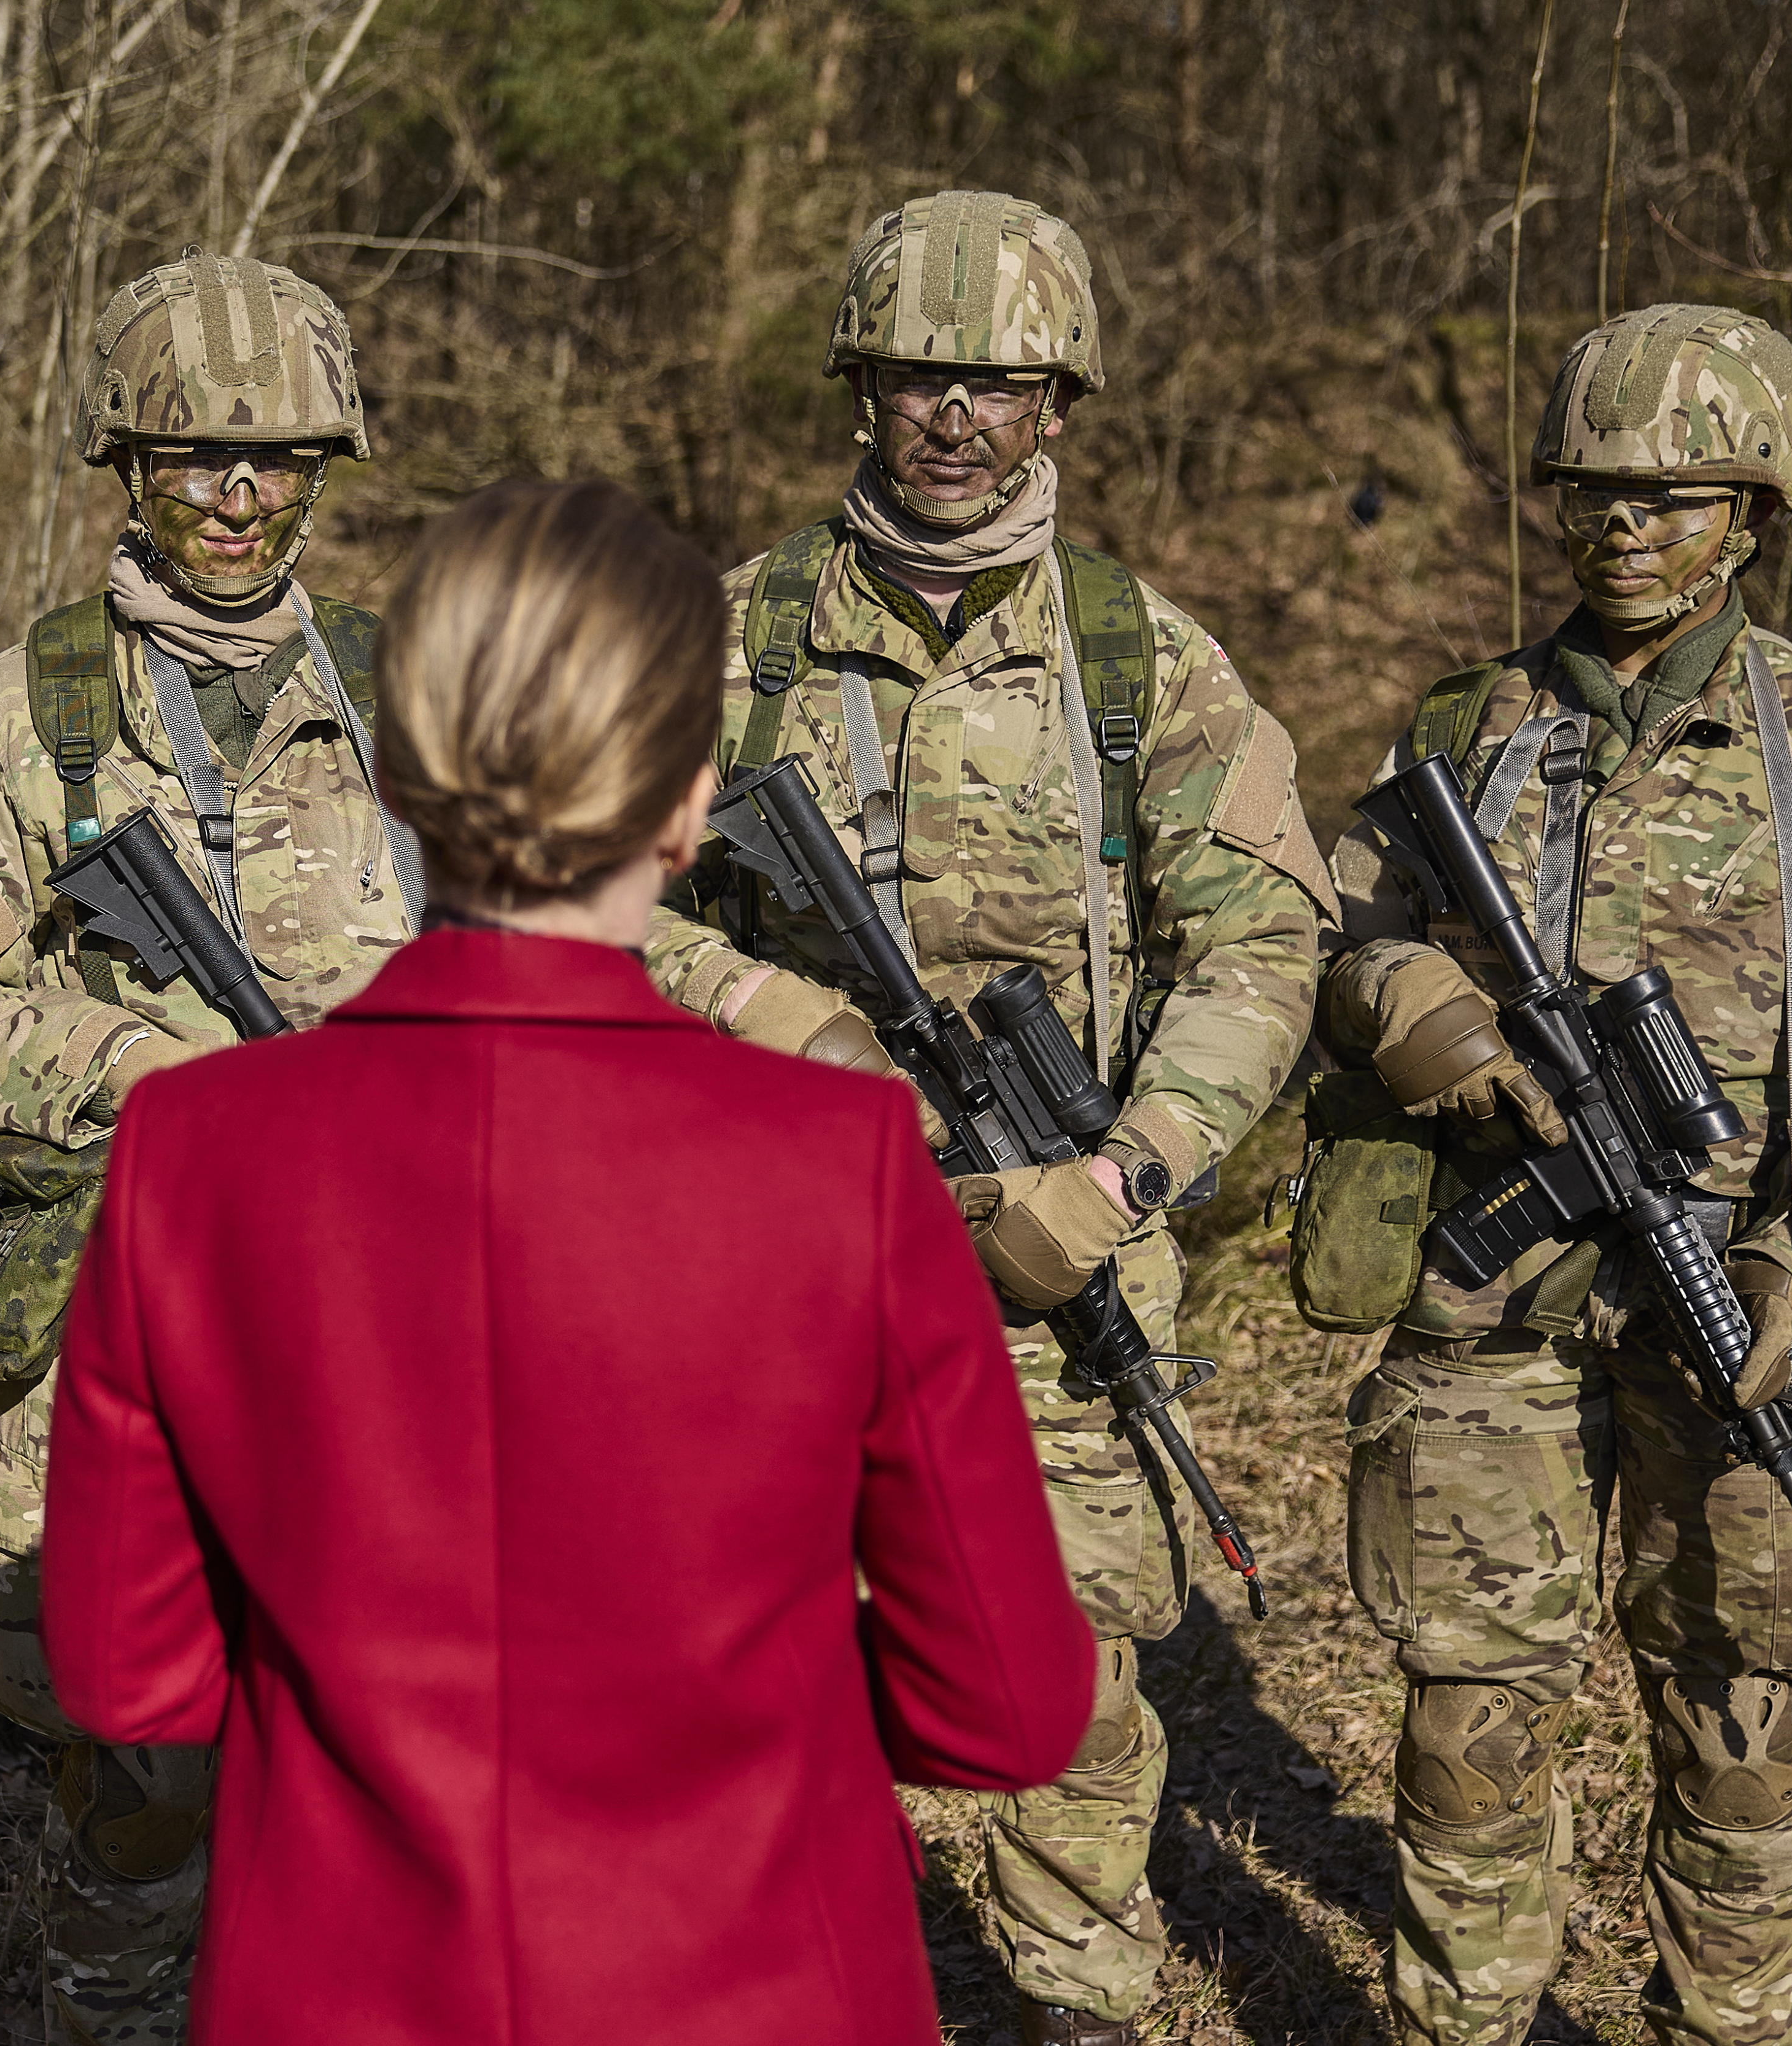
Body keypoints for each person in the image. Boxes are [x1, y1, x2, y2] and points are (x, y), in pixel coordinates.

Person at [36, 475, 1096, 2045]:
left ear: (391, 778)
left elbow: (128, 1674)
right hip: (755, 1988)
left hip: (335, 1990)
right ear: (684, 800)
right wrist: (748, 1698)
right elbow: (1004, 1704)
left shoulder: (194, 1148)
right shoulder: (842, 1170)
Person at [643, 191, 1335, 2045]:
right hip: (775, 1262)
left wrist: (1132, 1167)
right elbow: (581, 903)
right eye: (920, 376)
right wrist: (773, 1009)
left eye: (1000, 383)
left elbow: (1266, 935)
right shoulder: (733, 641)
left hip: (1056, 1248)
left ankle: (1077, 2002)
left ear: (1059, 404)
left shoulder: (1139, 657)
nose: (955, 414)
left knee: (1069, 1681)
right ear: (861, 386)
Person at [1315, 303, 1792, 2046]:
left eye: (1676, 495)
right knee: (1468, 1721)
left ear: (1763, 505)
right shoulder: (1466, 728)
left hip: (1744, 1311)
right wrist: (1402, 997)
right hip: (1492, 1315)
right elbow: (1323, 935)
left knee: (1741, 1722)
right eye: (1594, 494)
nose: (1625, 527)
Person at [0, 247, 417, 2044]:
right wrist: (144, 1063)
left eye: (277, 464)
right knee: (140, 1780)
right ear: (127, 464)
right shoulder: (31, 714)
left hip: (391, 1345)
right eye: (194, 460)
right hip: (141, 1345)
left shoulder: (419, 701)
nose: (240, 501)